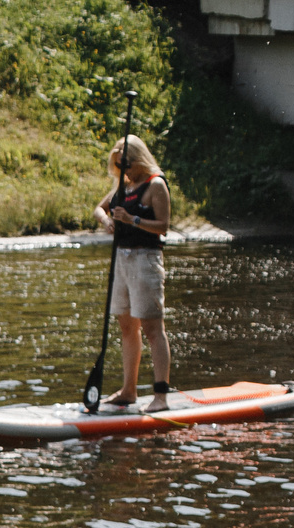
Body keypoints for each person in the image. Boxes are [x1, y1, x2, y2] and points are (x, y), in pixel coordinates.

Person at [95, 134, 173, 409]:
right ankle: (129, 392)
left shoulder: (156, 185)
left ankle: (161, 395)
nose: (124, 171)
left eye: (126, 165)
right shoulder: (124, 185)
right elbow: (99, 208)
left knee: (152, 327)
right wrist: (106, 220)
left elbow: (163, 225)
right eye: (119, 166)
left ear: (139, 159)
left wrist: (132, 219)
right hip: (122, 260)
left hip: (146, 259)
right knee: (127, 326)